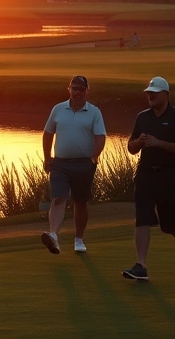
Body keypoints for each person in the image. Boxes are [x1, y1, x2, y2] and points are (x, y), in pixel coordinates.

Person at [122, 76, 175, 281]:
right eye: (148, 93)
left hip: (169, 175)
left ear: (166, 95)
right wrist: (140, 142)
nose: (150, 96)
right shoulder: (143, 117)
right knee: (142, 216)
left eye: (154, 93)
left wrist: (159, 143)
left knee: (171, 222)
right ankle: (141, 266)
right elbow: (131, 148)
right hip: (145, 173)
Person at [41, 76, 106, 254]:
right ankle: (54, 235)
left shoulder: (94, 112)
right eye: (74, 88)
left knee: (81, 202)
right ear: (69, 89)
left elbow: (100, 137)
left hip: (84, 163)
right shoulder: (58, 109)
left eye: (81, 89)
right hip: (60, 163)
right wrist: (47, 158)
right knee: (58, 198)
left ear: (87, 91)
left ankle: (79, 239)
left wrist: (94, 157)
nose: (77, 92)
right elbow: (48, 134)